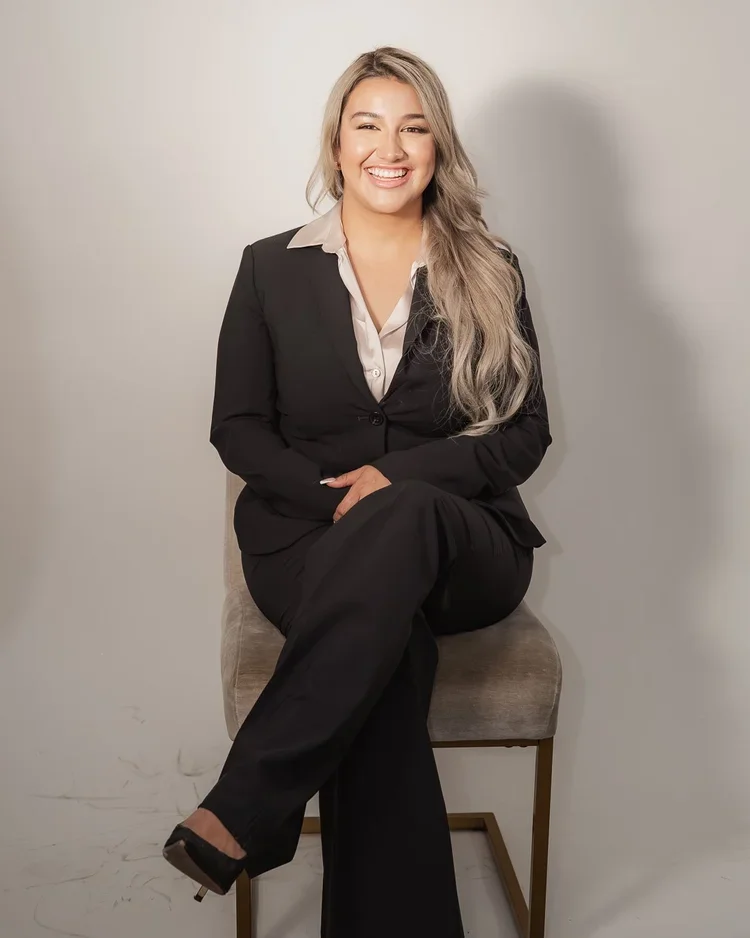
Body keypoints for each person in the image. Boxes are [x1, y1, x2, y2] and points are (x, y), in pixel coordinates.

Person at [162, 45, 552, 938]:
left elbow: (525, 433)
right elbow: (239, 426)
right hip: (305, 543)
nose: (391, 146)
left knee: (405, 507)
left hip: (462, 546)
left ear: (438, 147)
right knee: (387, 655)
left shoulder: (491, 265)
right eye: (367, 124)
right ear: (336, 145)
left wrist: (394, 480)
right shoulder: (268, 267)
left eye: (415, 127)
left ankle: (243, 801)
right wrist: (336, 497)